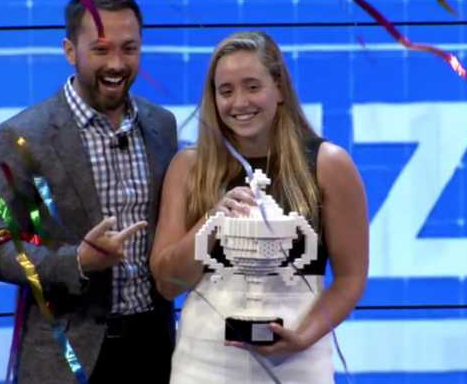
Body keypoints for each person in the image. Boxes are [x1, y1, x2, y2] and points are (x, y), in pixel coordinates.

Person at [0, 0, 177, 383]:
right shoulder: (23, 136)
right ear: (70, 50)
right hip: (65, 356)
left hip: (155, 349)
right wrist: (77, 262)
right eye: (101, 49)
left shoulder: (162, 126)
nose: (116, 64)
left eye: (129, 48)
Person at [150, 31, 369, 383]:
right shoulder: (189, 167)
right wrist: (212, 222)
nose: (239, 102)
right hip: (204, 366)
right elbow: (167, 283)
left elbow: (351, 278)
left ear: (279, 88)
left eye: (252, 86)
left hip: (298, 363)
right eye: (226, 91)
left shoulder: (328, 164)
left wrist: (303, 337)